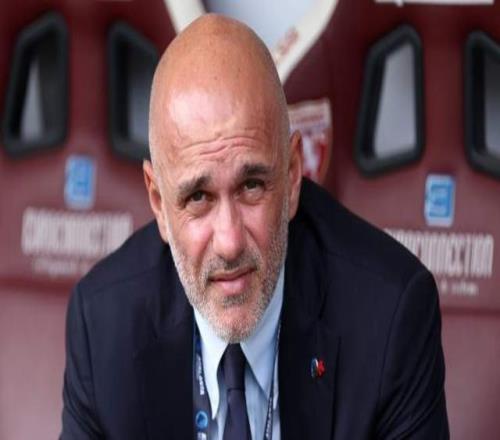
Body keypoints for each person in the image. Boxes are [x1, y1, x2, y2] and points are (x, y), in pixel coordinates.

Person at [61, 14, 449, 440]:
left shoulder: (389, 314)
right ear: (158, 201)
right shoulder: (103, 325)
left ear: (293, 175)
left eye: (251, 186)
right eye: (198, 197)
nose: (229, 242)